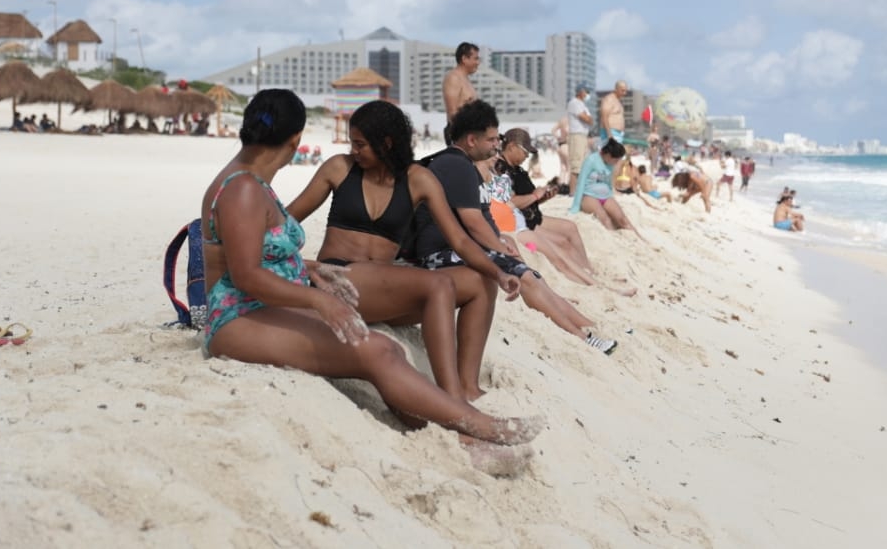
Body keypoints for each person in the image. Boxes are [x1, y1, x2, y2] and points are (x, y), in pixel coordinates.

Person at [199, 89, 539, 468]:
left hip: (264, 307)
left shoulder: (250, 185)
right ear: (295, 140)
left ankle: (456, 435)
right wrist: (320, 299)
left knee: (388, 349)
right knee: (379, 350)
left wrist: (309, 268)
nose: (353, 149)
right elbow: (247, 276)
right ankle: (479, 428)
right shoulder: (244, 190)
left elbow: (260, 249)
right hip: (238, 316)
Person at [287, 99, 521, 402]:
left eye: (360, 144)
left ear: (386, 143)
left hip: (381, 291)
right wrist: (302, 264)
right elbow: (284, 223)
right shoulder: (339, 168)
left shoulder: (418, 180)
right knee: (437, 284)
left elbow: (461, 241)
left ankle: (467, 385)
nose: (353, 151)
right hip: (340, 279)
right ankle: (452, 401)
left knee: (480, 282)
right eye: (352, 143)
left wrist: (498, 272)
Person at [411, 100, 619, 355]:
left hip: (457, 247)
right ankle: (582, 336)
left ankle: (585, 324)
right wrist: (499, 246)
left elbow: (481, 219)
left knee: (527, 271)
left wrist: (499, 239)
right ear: (471, 140)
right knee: (522, 273)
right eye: (490, 140)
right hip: (437, 255)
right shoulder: (456, 165)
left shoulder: (466, 168)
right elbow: (473, 224)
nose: (495, 145)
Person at [496, 128, 636, 296]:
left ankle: (588, 271)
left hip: (531, 216)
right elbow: (509, 203)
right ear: (511, 146)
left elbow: (526, 199)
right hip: (521, 224)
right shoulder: (500, 169)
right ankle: (595, 285)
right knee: (560, 246)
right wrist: (535, 195)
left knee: (570, 228)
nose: (528, 156)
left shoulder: (517, 169)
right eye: (526, 152)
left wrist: (543, 197)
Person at [570, 138, 650, 243]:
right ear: (608, 155)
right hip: (589, 196)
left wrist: (611, 195)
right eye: (616, 160)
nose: (617, 162)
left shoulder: (611, 163)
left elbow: (608, 182)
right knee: (605, 219)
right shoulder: (591, 160)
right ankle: (616, 243)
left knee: (623, 220)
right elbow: (581, 182)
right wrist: (575, 206)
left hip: (606, 196)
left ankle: (641, 240)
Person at [441, 42, 480, 144]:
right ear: (464, 59)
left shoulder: (465, 80)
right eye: (475, 58)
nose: (478, 62)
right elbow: (452, 112)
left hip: (469, 134)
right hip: (460, 136)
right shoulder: (453, 78)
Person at [565, 84, 594, 193]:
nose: (588, 94)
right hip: (576, 135)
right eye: (586, 91)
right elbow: (586, 118)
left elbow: (590, 120)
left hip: (583, 136)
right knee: (576, 165)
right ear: (581, 92)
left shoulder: (582, 105)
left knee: (583, 164)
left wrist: (589, 119)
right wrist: (589, 119)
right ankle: (572, 191)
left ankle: (580, 190)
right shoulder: (574, 103)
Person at [599, 80, 628, 147]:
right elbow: (604, 116)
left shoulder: (618, 101)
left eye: (626, 91)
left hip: (619, 134)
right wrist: (609, 134)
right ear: (616, 89)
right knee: (611, 156)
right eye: (622, 90)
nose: (624, 93)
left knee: (618, 156)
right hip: (611, 132)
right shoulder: (609, 99)